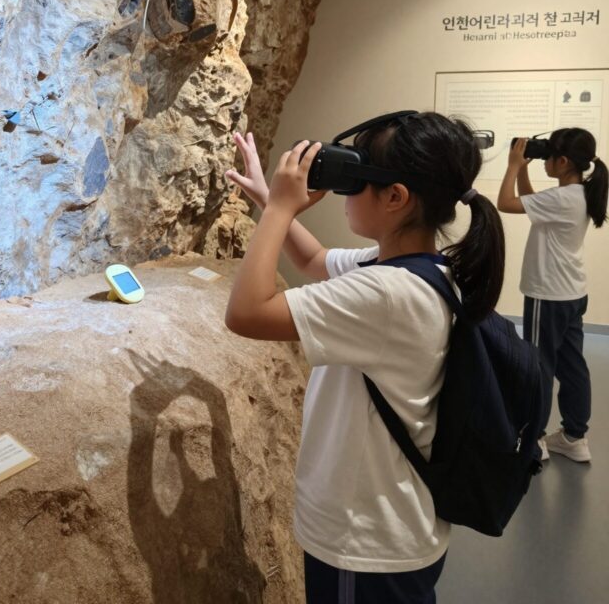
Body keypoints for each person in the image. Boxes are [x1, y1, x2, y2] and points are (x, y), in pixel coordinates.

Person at [224, 113, 505, 604]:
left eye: (356, 181)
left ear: (395, 198)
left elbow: (246, 313)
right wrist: (271, 202)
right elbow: (314, 261)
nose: (345, 193)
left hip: (364, 540)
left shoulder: (388, 293)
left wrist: (277, 215)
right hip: (394, 522)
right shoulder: (422, 269)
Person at [497, 129, 608, 463]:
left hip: (547, 295)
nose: (544, 160)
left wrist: (514, 165)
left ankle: (533, 439)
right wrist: (528, 170)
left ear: (562, 162)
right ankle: (575, 437)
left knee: (538, 366)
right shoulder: (580, 194)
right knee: (572, 366)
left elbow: (505, 203)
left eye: (548, 157)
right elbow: (532, 202)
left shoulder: (561, 199)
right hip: (572, 293)